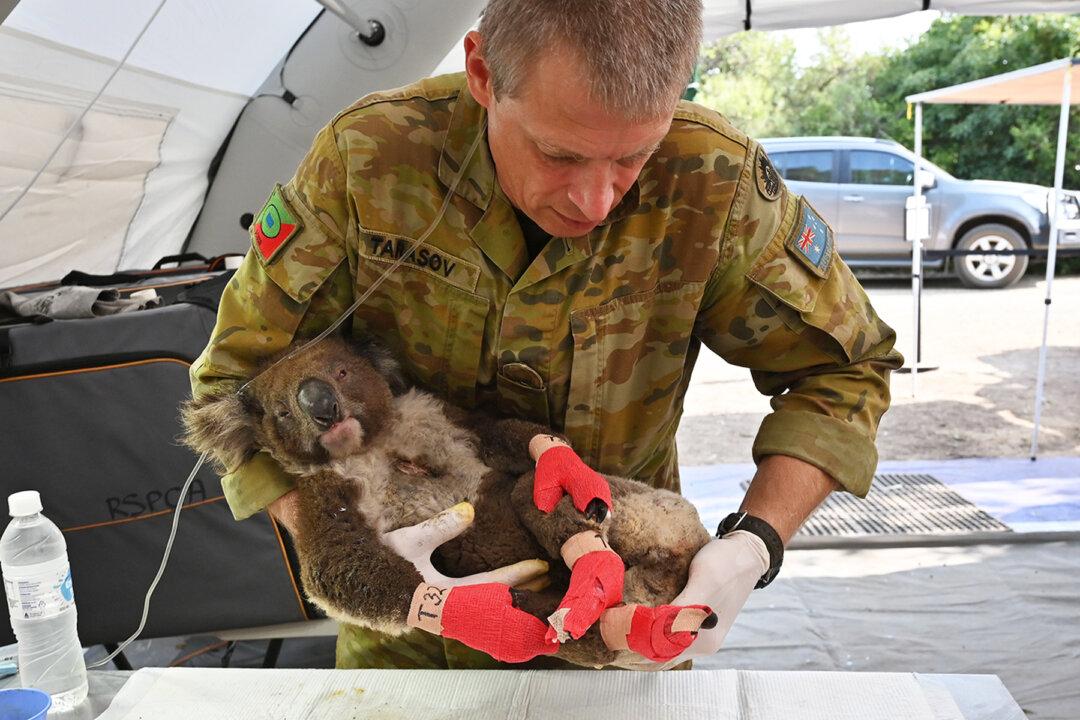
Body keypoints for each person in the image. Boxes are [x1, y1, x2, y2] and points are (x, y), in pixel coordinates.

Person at [190, 0, 902, 670]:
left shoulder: (713, 180)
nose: (594, 201)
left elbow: (844, 369)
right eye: (559, 155)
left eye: (633, 157)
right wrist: (355, 542)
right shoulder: (369, 160)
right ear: (482, 72)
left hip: (630, 608)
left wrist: (754, 543)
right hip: (414, 647)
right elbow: (233, 383)